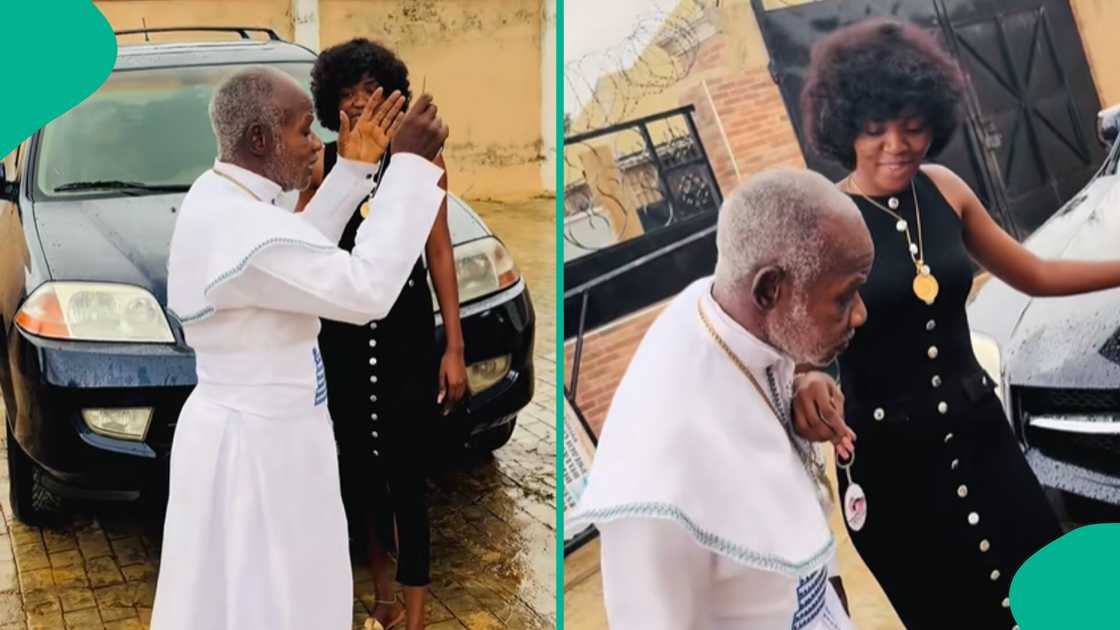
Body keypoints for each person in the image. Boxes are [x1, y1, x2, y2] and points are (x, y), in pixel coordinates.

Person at [793, 18, 1120, 629]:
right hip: (893, 470)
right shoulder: (826, 222)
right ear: (844, 127)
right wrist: (804, 377)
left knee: (1045, 594)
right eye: (875, 129)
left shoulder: (945, 190)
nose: (897, 143)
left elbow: (1035, 274)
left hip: (984, 442)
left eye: (914, 127)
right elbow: (794, 338)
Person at [152, 66, 448, 630]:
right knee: (270, 602)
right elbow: (366, 290)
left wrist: (358, 167)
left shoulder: (224, 194)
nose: (318, 143)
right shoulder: (246, 231)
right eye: (305, 130)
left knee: (261, 596)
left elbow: (299, 243)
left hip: (261, 435)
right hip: (258, 452)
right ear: (260, 140)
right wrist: (406, 169)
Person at [570, 168, 873, 629]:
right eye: (845, 296)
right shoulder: (660, 475)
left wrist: (802, 381)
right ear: (769, 288)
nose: (860, 315)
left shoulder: (730, 315)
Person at [297, 38, 467, 630]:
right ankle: (384, 600)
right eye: (349, 97)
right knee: (358, 477)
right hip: (340, 337)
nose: (362, 106)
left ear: (392, 96)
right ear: (331, 106)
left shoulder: (421, 158)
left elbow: (439, 251)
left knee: (407, 477)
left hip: (406, 333)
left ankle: (416, 615)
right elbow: (302, 249)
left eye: (373, 92)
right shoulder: (318, 164)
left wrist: (455, 347)